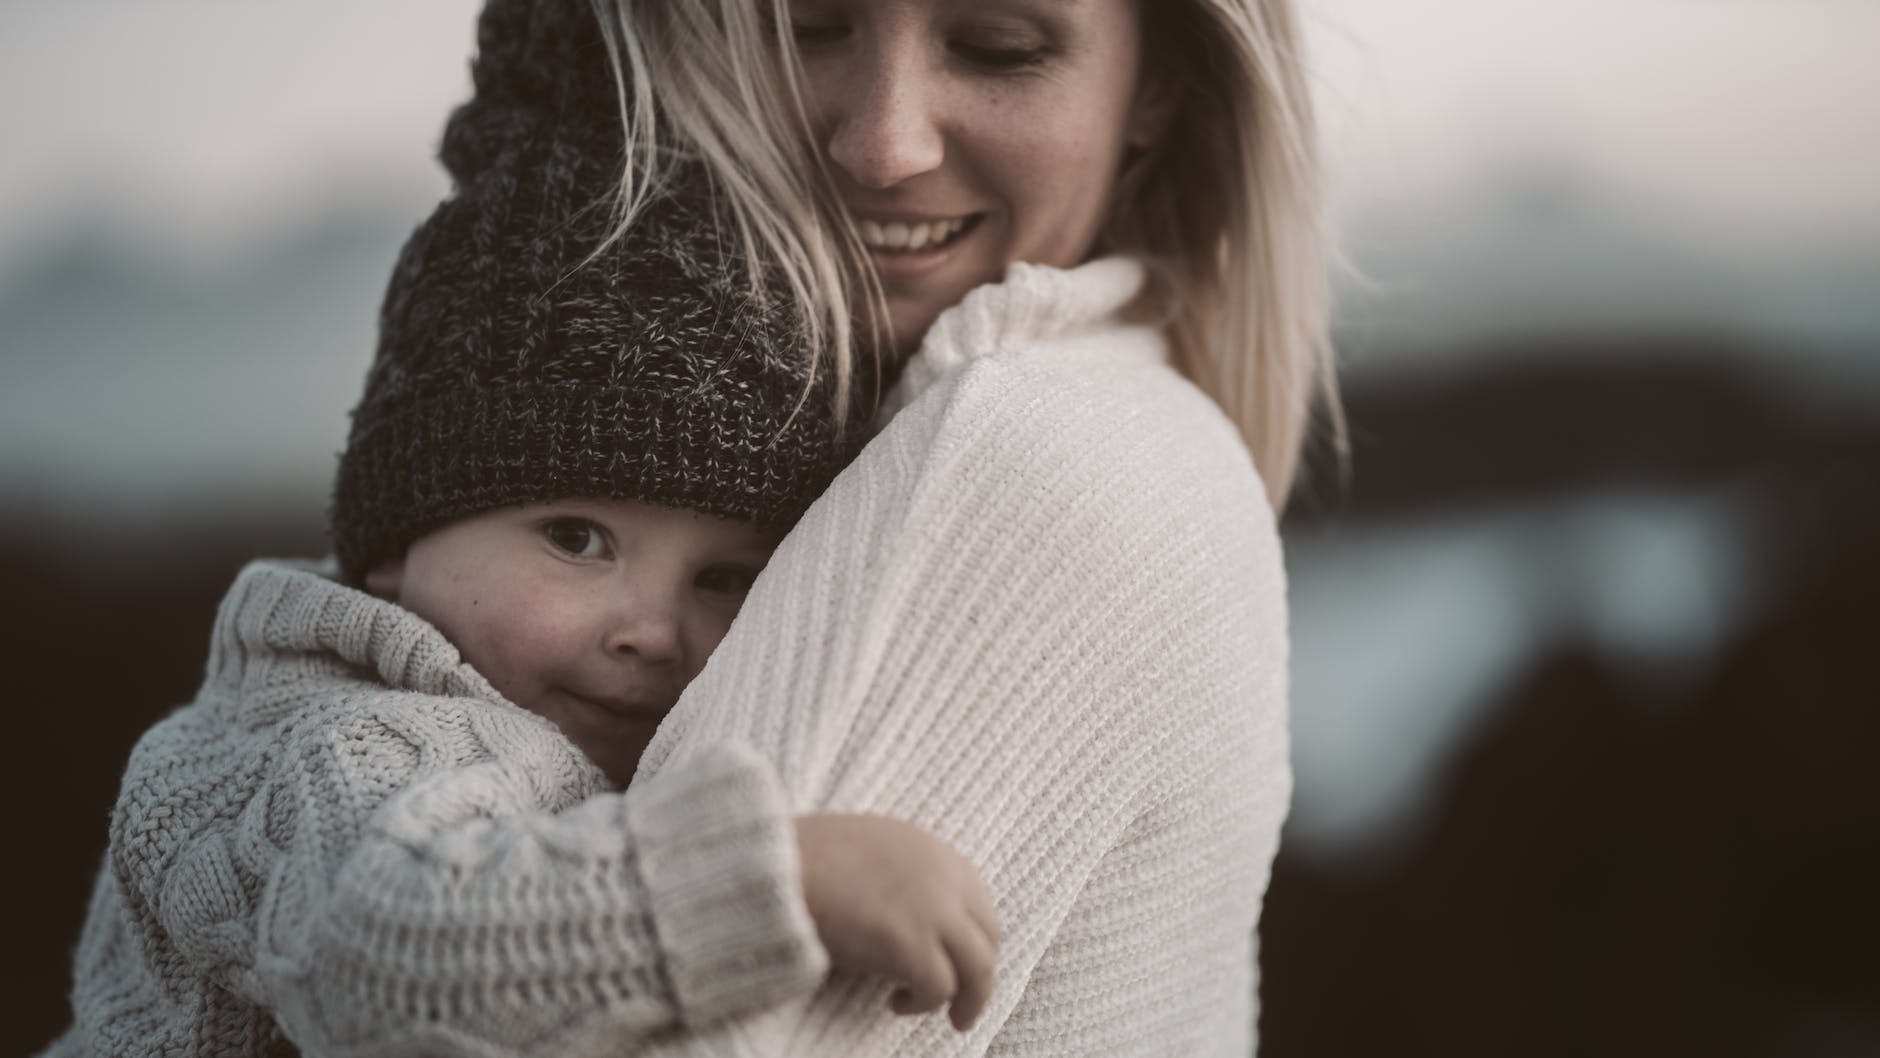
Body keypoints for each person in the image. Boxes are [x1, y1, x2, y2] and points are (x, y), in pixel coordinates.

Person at [37, 5, 1003, 1055]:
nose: (651, 630)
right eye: (576, 538)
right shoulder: (336, 742)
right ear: (394, 541)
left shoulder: (504, 710)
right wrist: (779, 877)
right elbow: (393, 953)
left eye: (723, 577)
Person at [583, 0, 1346, 1053]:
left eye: (998, 48)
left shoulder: (1022, 454)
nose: (883, 144)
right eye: (811, 26)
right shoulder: (1124, 415)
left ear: (1159, 89)